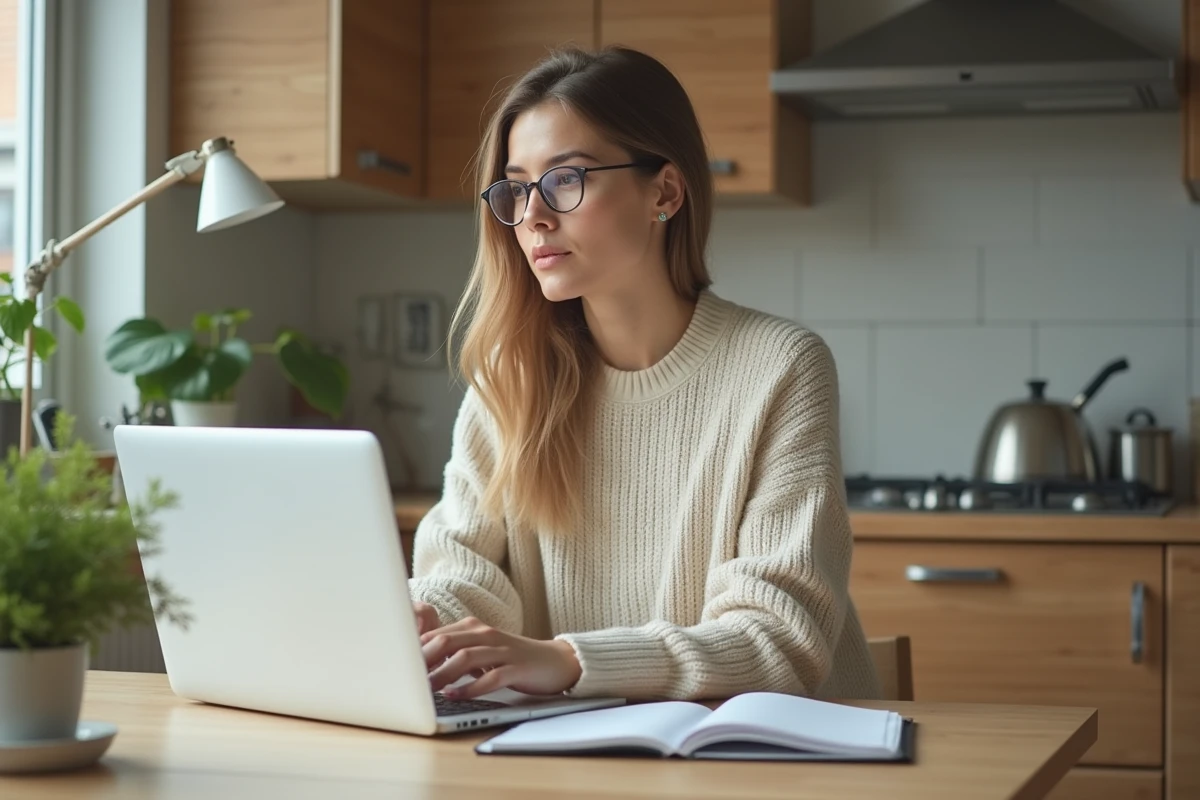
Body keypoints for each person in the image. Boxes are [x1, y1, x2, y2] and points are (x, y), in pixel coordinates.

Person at [408, 45, 880, 703]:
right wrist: (424, 619)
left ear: (664, 191)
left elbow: (778, 639)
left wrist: (569, 661)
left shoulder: (780, 366)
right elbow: (466, 572)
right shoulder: (511, 374)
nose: (534, 216)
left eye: (566, 179)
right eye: (516, 188)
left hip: (770, 756)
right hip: (580, 750)